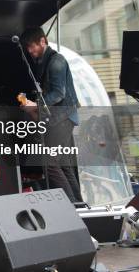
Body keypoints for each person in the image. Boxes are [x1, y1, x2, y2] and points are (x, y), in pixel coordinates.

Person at [19, 27, 83, 203]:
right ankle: (78, 204)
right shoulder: (44, 62)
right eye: (28, 48)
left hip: (64, 118)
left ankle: (71, 205)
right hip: (60, 118)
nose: (30, 51)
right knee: (63, 165)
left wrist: (35, 105)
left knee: (50, 163)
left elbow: (58, 94)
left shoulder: (56, 62)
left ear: (42, 41)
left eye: (32, 47)